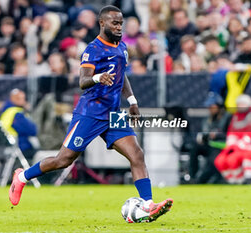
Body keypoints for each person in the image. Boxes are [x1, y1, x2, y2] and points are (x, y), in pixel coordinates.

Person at [9, 5, 173, 222]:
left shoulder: (121, 47)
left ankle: (147, 204)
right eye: (115, 23)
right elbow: (83, 81)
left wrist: (132, 101)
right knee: (63, 160)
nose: (119, 27)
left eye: (121, 23)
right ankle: (22, 176)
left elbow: (122, 76)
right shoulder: (93, 50)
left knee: (137, 154)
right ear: (102, 23)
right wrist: (97, 77)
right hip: (90, 113)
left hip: (113, 114)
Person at [0, 89, 39, 159]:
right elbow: (33, 130)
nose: (23, 101)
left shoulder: (6, 110)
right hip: (19, 146)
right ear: (12, 98)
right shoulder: (17, 114)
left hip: (7, 145)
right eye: (19, 98)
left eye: (23, 98)